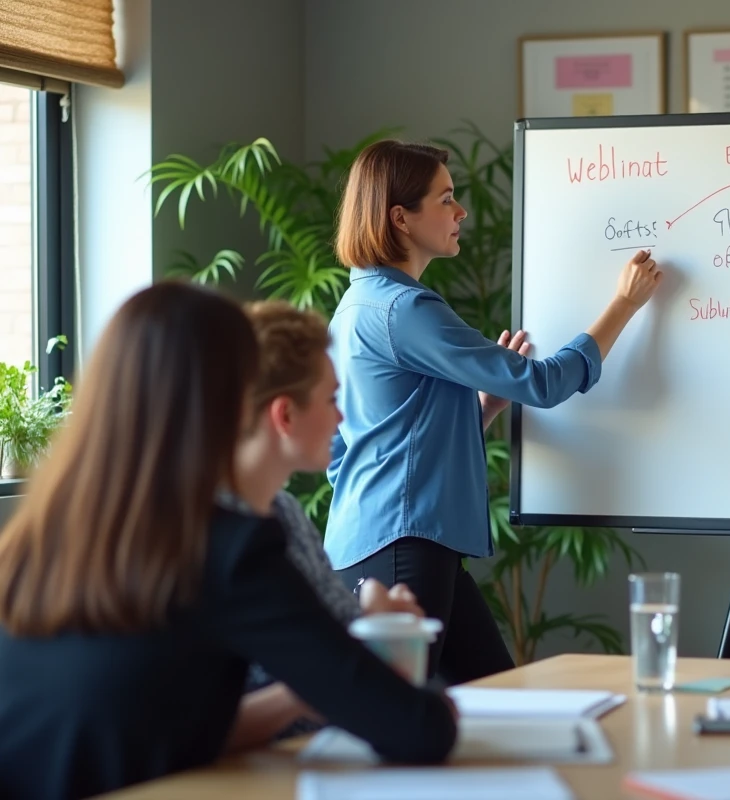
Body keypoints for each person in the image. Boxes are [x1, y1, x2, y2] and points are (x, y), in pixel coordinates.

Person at [0, 282, 456, 800]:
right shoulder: (227, 545)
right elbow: (422, 729)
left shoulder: (43, 534)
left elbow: (145, 727)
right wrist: (392, 648)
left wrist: (316, 688)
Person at [325, 140, 663, 685]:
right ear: (400, 219)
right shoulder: (406, 310)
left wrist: (481, 409)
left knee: (491, 692)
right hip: (403, 545)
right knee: (403, 717)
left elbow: (360, 445)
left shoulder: (357, 305)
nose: (461, 213)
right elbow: (545, 383)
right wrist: (624, 304)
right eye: (446, 199)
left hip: (387, 540)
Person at [226, 299, 427, 749]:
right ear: (284, 415)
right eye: (332, 399)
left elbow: (337, 646)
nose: (341, 417)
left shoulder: (286, 514)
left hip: (323, 753)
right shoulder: (222, 537)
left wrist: (371, 614)